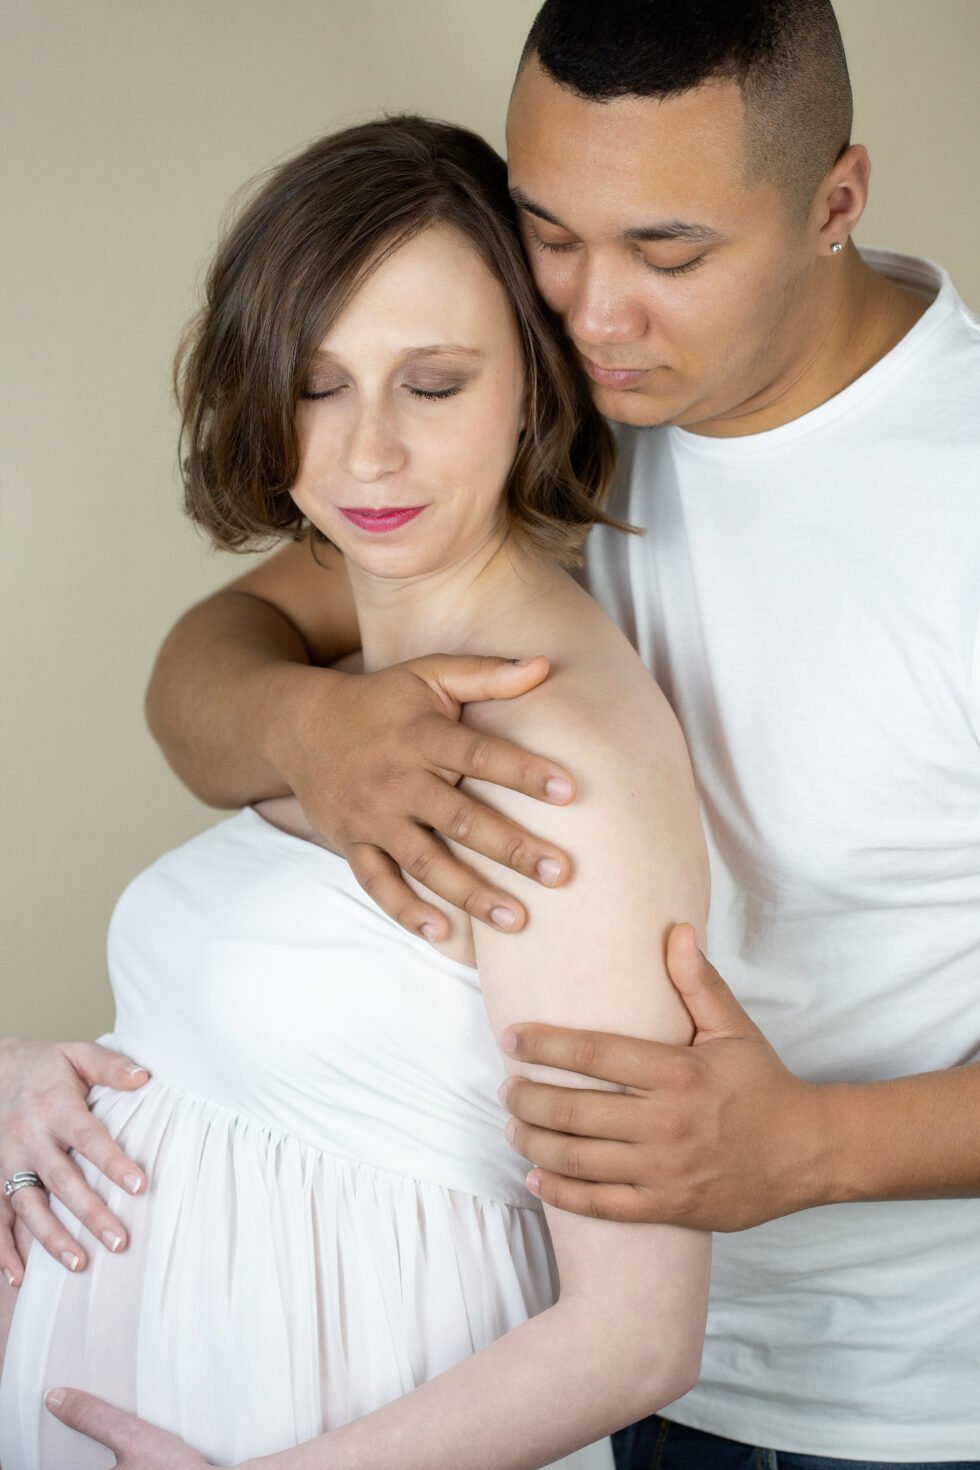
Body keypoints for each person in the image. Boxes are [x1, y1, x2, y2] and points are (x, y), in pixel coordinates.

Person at [3, 0, 980, 1464]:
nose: (594, 313)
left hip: (865, 1401)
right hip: (586, 1339)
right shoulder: (572, 408)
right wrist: (312, 729)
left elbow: (629, 1329)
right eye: (552, 234)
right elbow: (211, 667)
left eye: (668, 252)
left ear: (835, 203)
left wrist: (820, 1147)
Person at [0, 114, 710, 1469]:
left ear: (535, 382)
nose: (368, 452)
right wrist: (32, 1092)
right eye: (318, 385)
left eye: (433, 384)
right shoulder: (350, 670)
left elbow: (637, 1335)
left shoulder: (551, 764)